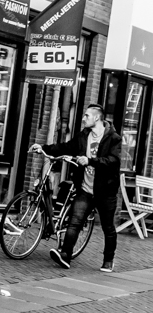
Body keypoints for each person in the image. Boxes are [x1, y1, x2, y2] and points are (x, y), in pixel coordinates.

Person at [30, 103, 121, 272]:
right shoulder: (83, 135)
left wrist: (90, 161)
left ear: (97, 117)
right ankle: (65, 255)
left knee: (108, 227)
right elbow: (66, 147)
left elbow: (113, 161)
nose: (84, 118)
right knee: (74, 222)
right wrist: (43, 148)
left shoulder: (113, 138)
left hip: (105, 192)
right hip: (85, 189)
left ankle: (108, 260)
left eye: (87, 115)